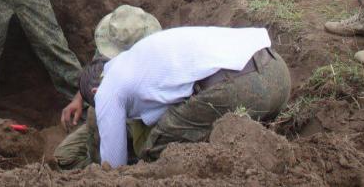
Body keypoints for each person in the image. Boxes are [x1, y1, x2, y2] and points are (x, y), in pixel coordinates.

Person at [79, 26, 291, 168]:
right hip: (277, 72)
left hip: (242, 89)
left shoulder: (108, 89)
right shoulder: (136, 58)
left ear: (96, 93)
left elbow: (113, 168)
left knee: (153, 150)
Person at [54, 5, 160, 170]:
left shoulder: (157, 55)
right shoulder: (112, 41)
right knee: (64, 158)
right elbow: (95, 74)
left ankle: (121, 169)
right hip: (108, 116)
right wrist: (79, 99)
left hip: (143, 121)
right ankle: (103, 167)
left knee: (95, 113)